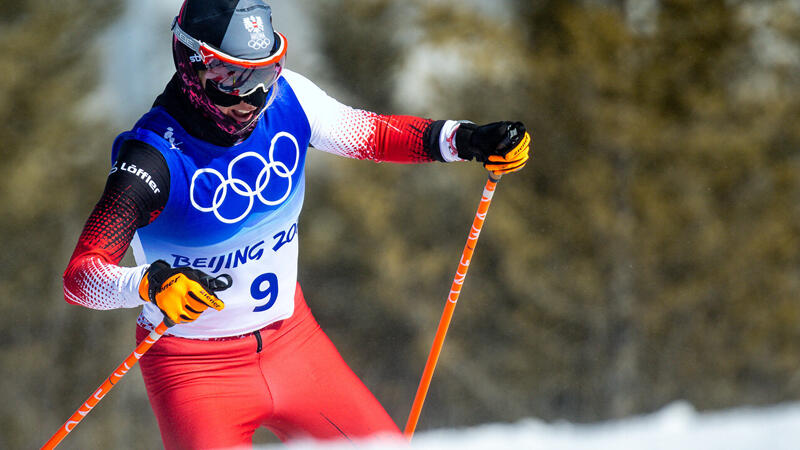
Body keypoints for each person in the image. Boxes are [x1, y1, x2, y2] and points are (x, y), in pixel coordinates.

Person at [62, 0, 531, 448]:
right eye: (230, 79)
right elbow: (81, 278)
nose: (251, 99)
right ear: (190, 68)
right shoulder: (152, 157)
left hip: (294, 342)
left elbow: (371, 134)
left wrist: (465, 139)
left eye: (264, 74)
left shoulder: (289, 101)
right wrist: (149, 284)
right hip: (194, 369)